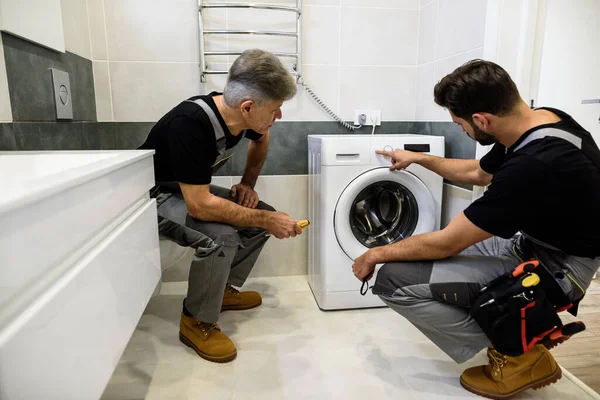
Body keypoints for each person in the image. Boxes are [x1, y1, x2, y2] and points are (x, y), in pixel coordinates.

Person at [353, 59, 600, 398]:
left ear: (482, 120)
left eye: (460, 124)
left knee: (394, 280)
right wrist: (419, 158)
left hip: (559, 270)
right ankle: (518, 339)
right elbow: (479, 173)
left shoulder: (532, 165)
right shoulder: (541, 121)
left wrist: (374, 252)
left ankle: (520, 354)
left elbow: (446, 244)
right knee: (416, 260)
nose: (461, 131)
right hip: (528, 246)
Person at [139, 49, 303, 363]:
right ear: (248, 107)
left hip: (185, 190)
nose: (278, 117)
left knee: (256, 218)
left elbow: (262, 137)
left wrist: (248, 184)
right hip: (150, 197)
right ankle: (196, 320)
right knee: (221, 236)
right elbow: (200, 207)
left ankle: (221, 290)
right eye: (276, 109)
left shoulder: (241, 115)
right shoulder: (191, 124)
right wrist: (268, 219)